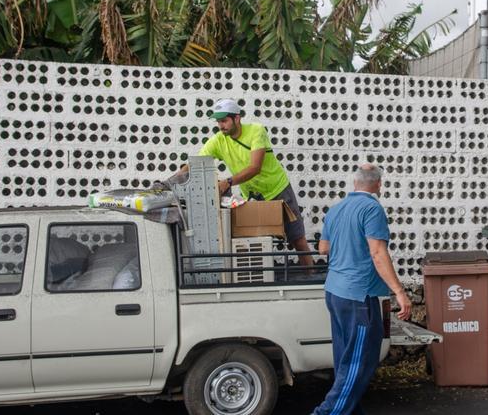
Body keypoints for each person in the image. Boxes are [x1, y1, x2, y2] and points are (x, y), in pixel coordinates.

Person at [311, 164, 411, 415]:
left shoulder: (335, 210)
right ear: (378, 184)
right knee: (359, 362)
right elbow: (377, 253)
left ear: (354, 183)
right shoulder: (371, 208)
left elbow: (323, 248)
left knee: (346, 360)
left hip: (334, 292)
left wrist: (346, 249)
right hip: (359, 296)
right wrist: (399, 291)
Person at [169, 98, 313, 268]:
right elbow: (194, 163)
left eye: (224, 121)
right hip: (252, 196)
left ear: (237, 118)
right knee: (253, 242)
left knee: (297, 239)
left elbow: (255, 168)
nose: (221, 125)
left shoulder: (256, 131)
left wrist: (228, 182)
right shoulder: (218, 140)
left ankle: (310, 275)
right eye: (218, 122)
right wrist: (171, 181)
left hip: (277, 190)